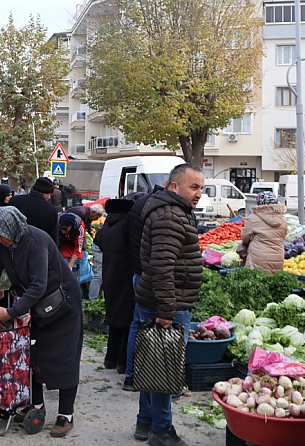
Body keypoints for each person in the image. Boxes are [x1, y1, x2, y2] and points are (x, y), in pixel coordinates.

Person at [0, 206, 83, 438]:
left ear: (12, 229)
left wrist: (12, 312)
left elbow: (38, 285)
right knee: (32, 355)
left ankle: (66, 414)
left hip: (62, 305)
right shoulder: (3, 246)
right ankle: (36, 406)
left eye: (0, 235)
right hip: (34, 305)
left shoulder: (36, 242)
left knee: (63, 359)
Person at [133, 163, 204, 446]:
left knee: (152, 362)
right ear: (174, 186)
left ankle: (146, 422)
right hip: (165, 303)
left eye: (201, 187)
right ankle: (162, 431)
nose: (199, 193)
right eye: (194, 187)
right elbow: (162, 266)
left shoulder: (172, 211)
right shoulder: (170, 216)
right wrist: (167, 310)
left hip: (159, 300)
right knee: (164, 368)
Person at [123, 185, 166, 391]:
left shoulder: (138, 205)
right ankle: (156, 380)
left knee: (138, 324)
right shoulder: (163, 210)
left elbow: (126, 236)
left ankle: (131, 376)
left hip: (137, 271)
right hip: (151, 275)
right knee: (158, 328)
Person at [94, 198, 135, 374]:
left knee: (114, 319)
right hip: (126, 275)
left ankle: (110, 358)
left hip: (110, 274)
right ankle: (122, 363)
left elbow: (98, 242)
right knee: (126, 320)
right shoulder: (127, 226)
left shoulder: (107, 226)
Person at [239, 191, 287, 274]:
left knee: (256, 281)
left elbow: (245, 237)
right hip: (277, 257)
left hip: (258, 257)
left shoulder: (254, 217)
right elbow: (284, 234)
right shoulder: (282, 218)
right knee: (273, 282)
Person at [9, 177, 59, 243]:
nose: (49, 197)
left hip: (15, 245)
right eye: (49, 194)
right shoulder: (51, 210)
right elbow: (53, 237)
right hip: (39, 248)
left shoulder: (15, 201)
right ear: (44, 193)